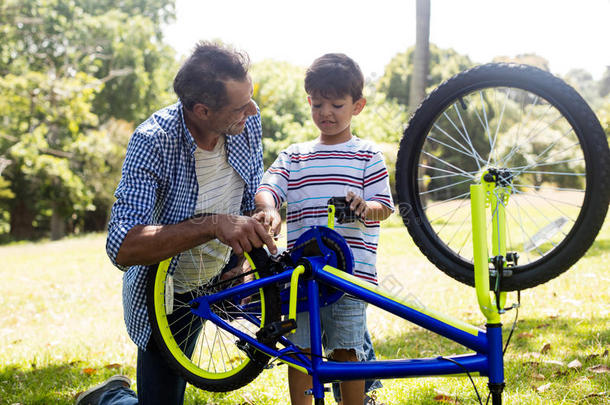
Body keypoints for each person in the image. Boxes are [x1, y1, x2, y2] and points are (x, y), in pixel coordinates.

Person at [75, 41, 276, 405]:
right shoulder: (153, 141)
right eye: (239, 106)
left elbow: (249, 190)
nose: (252, 109)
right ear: (202, 110)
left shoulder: (247, 119)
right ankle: (110, 398)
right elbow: (122, 245)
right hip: (169, 294)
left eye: (250, 98)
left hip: (223, 276)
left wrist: (250, 238)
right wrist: (213, 224)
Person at [254, 53, 393, 405]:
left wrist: (366, 207)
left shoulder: (366, 155)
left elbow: (385, 207)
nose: (326, 113)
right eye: (318, 104)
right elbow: (269, 187)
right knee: (300, 350)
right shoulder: (295, 156)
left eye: (336, 104)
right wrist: (269, 207)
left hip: (351, 277)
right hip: (302, 278)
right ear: (308, 101)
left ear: (357, 106)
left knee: (347, 349)